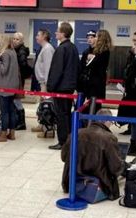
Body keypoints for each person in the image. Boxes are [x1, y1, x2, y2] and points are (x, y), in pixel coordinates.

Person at [61, 109, 124, 200]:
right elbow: (116, 168)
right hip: (98, 184)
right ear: (108, 121)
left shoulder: (75, 133)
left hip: (71, 183)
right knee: (120, 166)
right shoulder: (109, 138)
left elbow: (64, 157)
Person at [47, 22, 80, 150]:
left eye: (58, 31)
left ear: (63, 33)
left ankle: (63, 141)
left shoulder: (61, 49)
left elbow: (57, 70)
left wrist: (50, 86)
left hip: (61, 88)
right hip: (69, 87)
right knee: (66, 114)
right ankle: (68, 140)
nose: (56, 33)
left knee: (61, 115)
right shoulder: (73, 47)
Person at [0, 34, 20, 142]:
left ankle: (3, 134)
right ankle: (11, 133)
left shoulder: (5, 53)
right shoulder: (12, 52)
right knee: (11, 110)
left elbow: (3, 70)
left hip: (4, 86)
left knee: (4, 111)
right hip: (13, 85)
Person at [78, 29, 112, 112]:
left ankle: (91, 124)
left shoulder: (104, 52)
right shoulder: (89, 52)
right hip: (90, 86)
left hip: (96, 87)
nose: (93, 39)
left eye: (95, 36)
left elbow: (94, 65)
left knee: (93, 109)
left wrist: (91, 58)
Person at [120, 30, 136, 136]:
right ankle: (131, 128)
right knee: (130, 108)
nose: (134, 43)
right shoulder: (131, 53)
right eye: (133, 40)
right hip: (130, 86)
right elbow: (127, 67)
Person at [31, 28, 55, 138]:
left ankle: (48, 130)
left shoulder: (47, 49)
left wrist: (45, 85)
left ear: (44, 36)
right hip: (42, 82)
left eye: (38, 35)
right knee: (42, 105)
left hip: (45, 83)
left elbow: (48, 68)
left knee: (47, 106)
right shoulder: (43, 48)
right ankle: (42, 124)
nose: (36, 37)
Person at [12, 32, 31, 131]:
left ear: (22, 41)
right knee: (15, 100)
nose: (15, 41)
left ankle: (21, 122)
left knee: (16, 100)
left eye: (17, 39)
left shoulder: (21, 51)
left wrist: (20, 75)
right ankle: (17, 120)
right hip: (16, 78)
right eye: (14, 39)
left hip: (18, 79)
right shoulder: (15, 50)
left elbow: (23, 65)